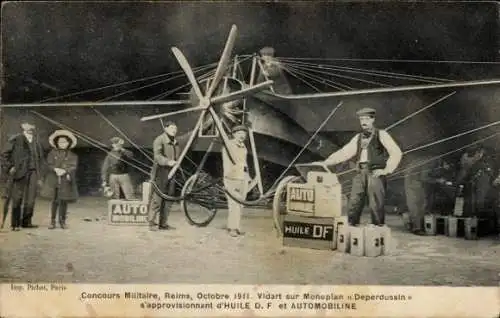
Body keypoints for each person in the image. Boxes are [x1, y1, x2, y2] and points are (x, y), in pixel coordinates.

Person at [313, 108, 403, 226]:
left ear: (373, 119)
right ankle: (351, 226)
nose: (363, 122)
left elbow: (396, 152)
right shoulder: (358, 137)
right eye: (361, 119)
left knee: (376, 203)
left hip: (375, 172)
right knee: (354, 201)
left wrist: (386, 170)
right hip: (360, 172)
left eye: (366, 119)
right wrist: (326, 162)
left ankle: (377, 229)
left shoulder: (382, 134)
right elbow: (344, 153)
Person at [0, 122, 44, 230]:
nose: (29, 128)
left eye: (31, 127)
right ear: (23, 128)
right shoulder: (15, 139)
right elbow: (4, 155)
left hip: (33, 171)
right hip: (19, 172)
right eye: (27, 126)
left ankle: (26, 222)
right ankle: (15, 224)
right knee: (17, 198)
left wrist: (40, 173)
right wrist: (10, 167)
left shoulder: (36, 141)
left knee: (31, 198)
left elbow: (40, 158)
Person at [403, 157, 455, 235]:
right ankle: (416, 229)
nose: (447, 169)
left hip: (417, 181)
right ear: (445, 162)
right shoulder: (431, 163)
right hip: (412, 181)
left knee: (423, 204)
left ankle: (417, 225)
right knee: (417, 205)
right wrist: (438, 180)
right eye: (448, 166)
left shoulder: (436, 163)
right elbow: (423, 177)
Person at [40, 130, 79, 229]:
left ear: (68, 143)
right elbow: (48, 164)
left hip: (65, 180)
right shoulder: (52, 153)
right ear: (57, 143)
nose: (62, 144)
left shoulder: (72, 155)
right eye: (60, 142)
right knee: (55, 201)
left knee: (64, 201)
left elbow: (73, 166)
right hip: (54, 180)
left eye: (65, 142)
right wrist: (55, 169)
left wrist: (65, 170)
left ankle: (62, 221)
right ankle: (52, 221)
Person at [148, 121, 180, 231]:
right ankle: (151, 222)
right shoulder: (159, 140)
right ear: (165, 129)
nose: (174, 130)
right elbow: (157, 156)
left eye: (175, 128)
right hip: (161, 171)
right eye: (172, 128)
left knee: (168, 198)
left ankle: (163, 224)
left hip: (172, 172)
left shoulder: (175, 141)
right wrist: (167, 162)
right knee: (157, 198)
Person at [222, 125, 251, 237]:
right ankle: (232, 228)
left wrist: (248, 176)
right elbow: (227, 162)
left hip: (242, 177)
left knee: (240, 204)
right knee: (233, 203)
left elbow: (244, 162)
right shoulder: (229, 145)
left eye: (244, 133)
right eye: (239, 133)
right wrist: (229, 175)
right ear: (234, 134)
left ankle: (237, 227)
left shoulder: (244, 147)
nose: (242, 135)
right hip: (232, 177)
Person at [457, 146, 495, 217]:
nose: (480, 155)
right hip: (465, 181)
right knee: (462, 198)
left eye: (482, 154)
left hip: (470, 183)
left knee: (471, 199)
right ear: (476, 153)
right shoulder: (469, 161)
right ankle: (462, 214)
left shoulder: (479, 163)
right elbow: (467, 170)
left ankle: (471, 214)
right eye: (480, 153)